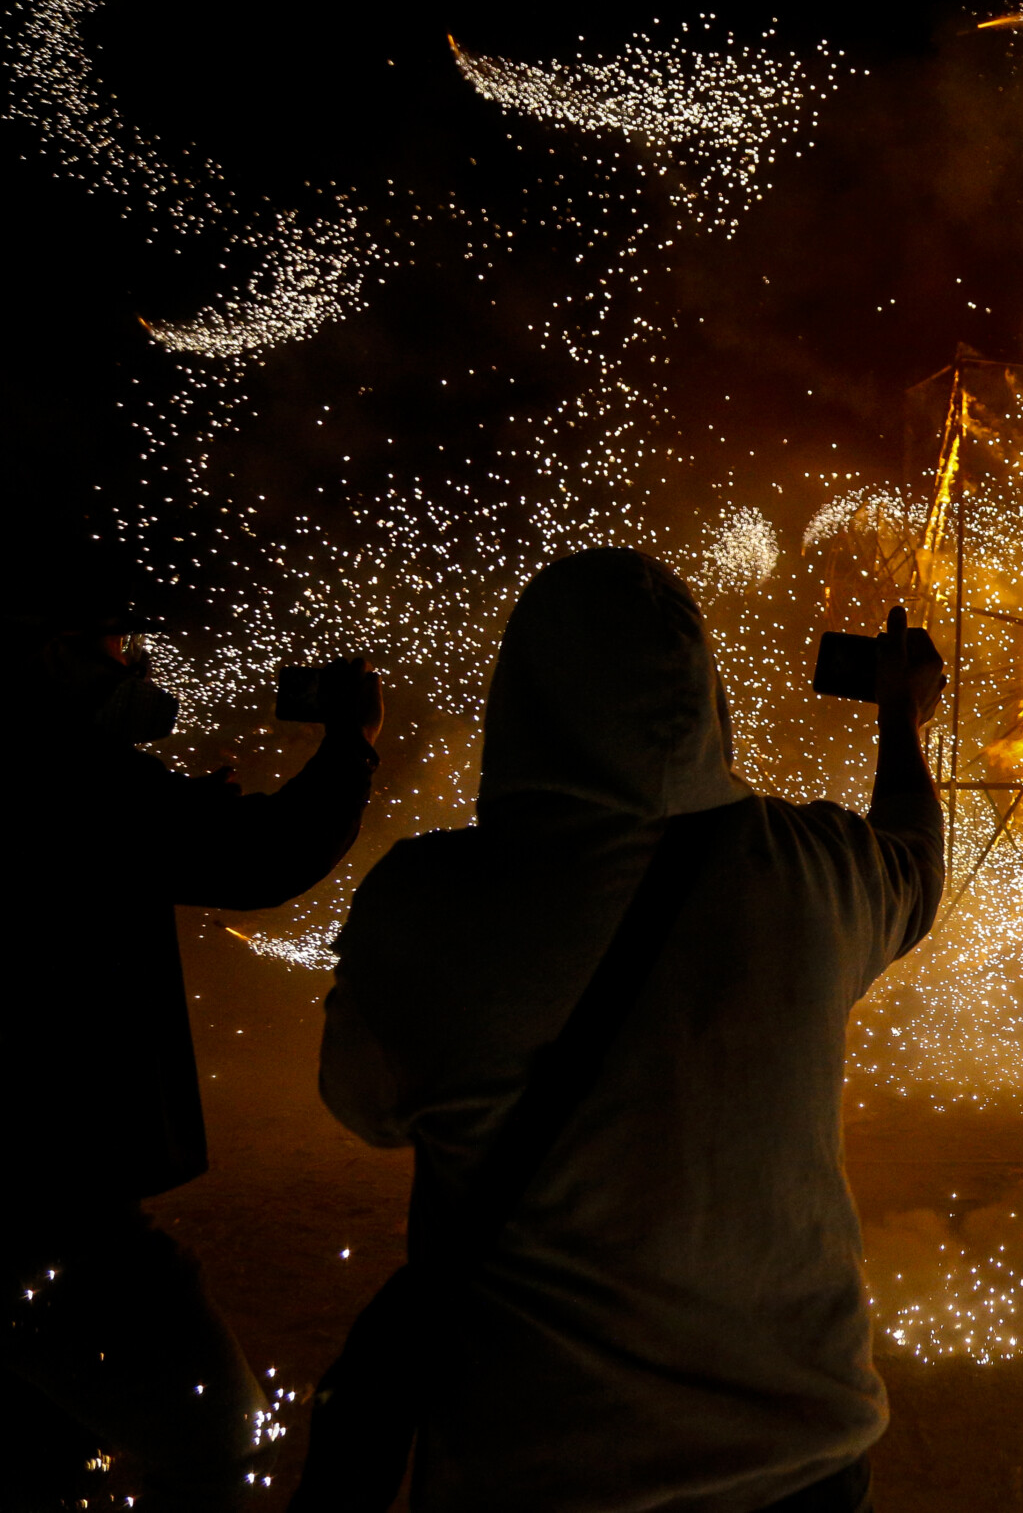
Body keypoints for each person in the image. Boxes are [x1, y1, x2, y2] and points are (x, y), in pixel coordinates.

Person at [312, 548, 942, 1512]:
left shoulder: (426, 904)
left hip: (542, 1470)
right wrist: (900, 715)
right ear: (707, 693)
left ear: (518, 702)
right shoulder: (809, 872)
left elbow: (363, 1105)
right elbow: (913, 860)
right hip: (803, 1460)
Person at [1, 544, 380, 1511]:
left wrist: (166, 819)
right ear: (50, 656)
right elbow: (261, 858)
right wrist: (351, 747)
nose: (135, 664)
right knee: (215, 1435)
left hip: (27, 1189)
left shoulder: (58, 772)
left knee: (49, 1446)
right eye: (116, 643)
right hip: (46, 1203)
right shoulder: (60, 769)